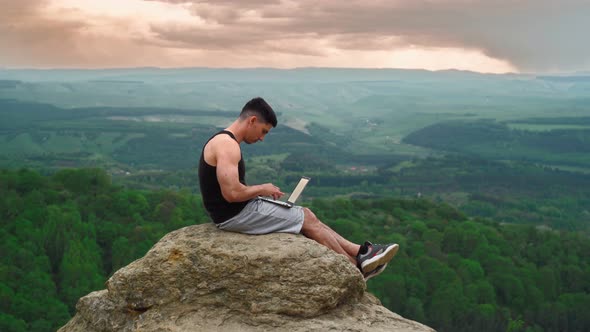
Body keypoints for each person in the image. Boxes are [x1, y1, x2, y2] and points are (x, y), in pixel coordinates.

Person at [198, 97, 398, 280]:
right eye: (263, 131)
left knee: (306, 214)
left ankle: (362, 252)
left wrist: (259, 193)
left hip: (238, 210)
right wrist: (261, 189)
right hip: (235, 215)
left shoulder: (225, 141)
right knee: (305, 219)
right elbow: (231, 194)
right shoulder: (227, 145)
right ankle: (354, 269)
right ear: (252, 121)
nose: (261, 138)